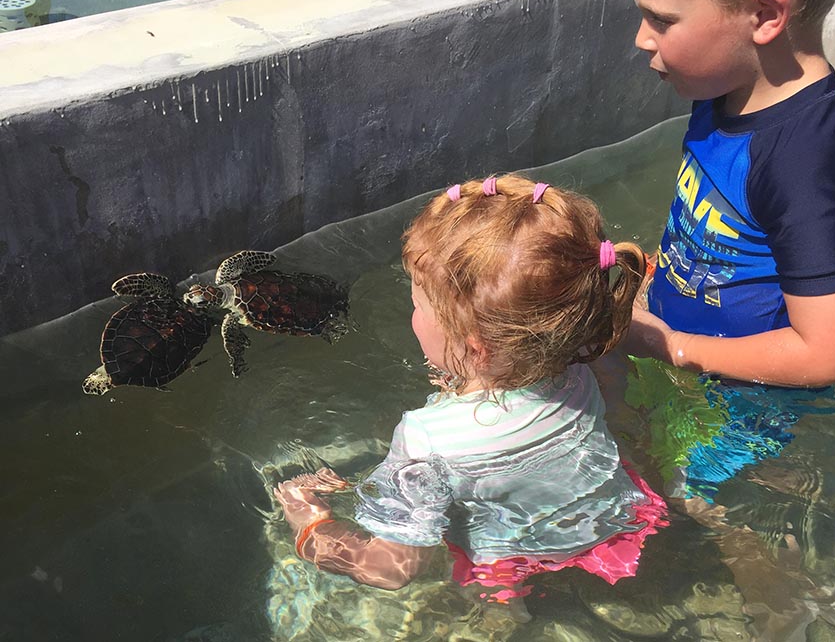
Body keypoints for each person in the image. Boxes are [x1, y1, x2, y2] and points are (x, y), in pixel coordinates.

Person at [274, 175, 668, 615]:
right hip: (614, 520)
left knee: (503, 609)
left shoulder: (427, 438)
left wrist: (310, 522)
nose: (413, 315)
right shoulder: (580, 354)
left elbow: (393, 569)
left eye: (419, 305)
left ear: (475, 347)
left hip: (508, 562)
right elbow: (615, 406)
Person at [626, 0, 835, 387]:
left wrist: (671, 346)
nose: (641, 38)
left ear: (763, 16)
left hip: (741, 407)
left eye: (660, 20)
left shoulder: (805, 159)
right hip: (676, 339)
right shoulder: (720, 93)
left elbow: (826, 354)